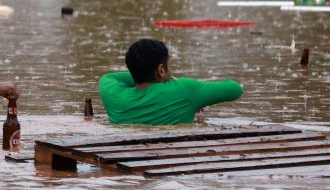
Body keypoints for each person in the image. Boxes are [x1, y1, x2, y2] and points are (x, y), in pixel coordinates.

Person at [98, 38, 243, 125]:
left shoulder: (113, 95)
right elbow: (235, 89)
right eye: (170, 64)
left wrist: (139, 73)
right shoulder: (185, 90)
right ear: (161, 70)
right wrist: (175, 81)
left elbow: (110, 77)